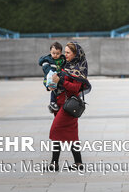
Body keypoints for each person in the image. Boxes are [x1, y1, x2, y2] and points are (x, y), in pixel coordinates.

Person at [48, 42, 91, 171]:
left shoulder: (78, 69)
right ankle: (78, 163)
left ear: (75, 54)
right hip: (61, 103)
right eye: (65, 52)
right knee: (72, 135)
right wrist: (51, 83)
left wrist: (60, 80)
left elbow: (75, 88)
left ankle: (54, 164)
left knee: (55, 131)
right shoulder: (65, 65)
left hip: (69, 106)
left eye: (68, 52)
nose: (65, 54)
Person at [38, 42, 65, 113]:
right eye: (53, 53)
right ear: (50, 52)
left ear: (61, 53)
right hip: (50, 77)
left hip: (59, 77)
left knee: (60, 90)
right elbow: (46, 69)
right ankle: (52, 102)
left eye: (57, 53)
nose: (55, 55)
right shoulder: (48, 60)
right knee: (54, 89)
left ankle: (54, 105)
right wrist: (52, 72)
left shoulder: (62, 60)